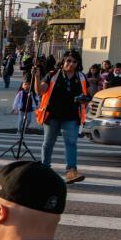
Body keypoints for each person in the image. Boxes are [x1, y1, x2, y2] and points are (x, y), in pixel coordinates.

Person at [36, 50, 90, 184]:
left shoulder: (82, 77)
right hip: (52, 115)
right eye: (68, 61)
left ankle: (71, 171)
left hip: (71, 117)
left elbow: (89, 95)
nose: (71, 64)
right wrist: (37, 77)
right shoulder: (52, 75)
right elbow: (40, 91)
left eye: (74, 62)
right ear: (63, 62)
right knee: (48, 144)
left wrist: (85, 99)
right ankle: (45, 169)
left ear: (78, 64)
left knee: (71, 143)